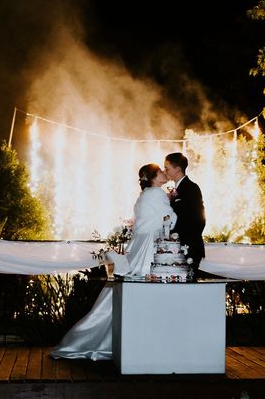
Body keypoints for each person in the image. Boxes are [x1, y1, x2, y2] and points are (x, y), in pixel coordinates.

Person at [50, 163, 176, 360]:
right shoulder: (157, 194)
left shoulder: (143, 196)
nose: (164, 173)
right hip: (148, 249)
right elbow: (170, 220)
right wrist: (173, 203)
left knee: (124, 295)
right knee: (144, 294)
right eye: (160, 171)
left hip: (137, 247)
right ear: (152, 178)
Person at [163, 152, 205, 278]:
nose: (164, 171)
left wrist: (184, 243)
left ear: (177, 169)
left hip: (188, 247)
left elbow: (199, 219)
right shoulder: (176, 190)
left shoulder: (191, 188)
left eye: (167, 168)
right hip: (176, 247)